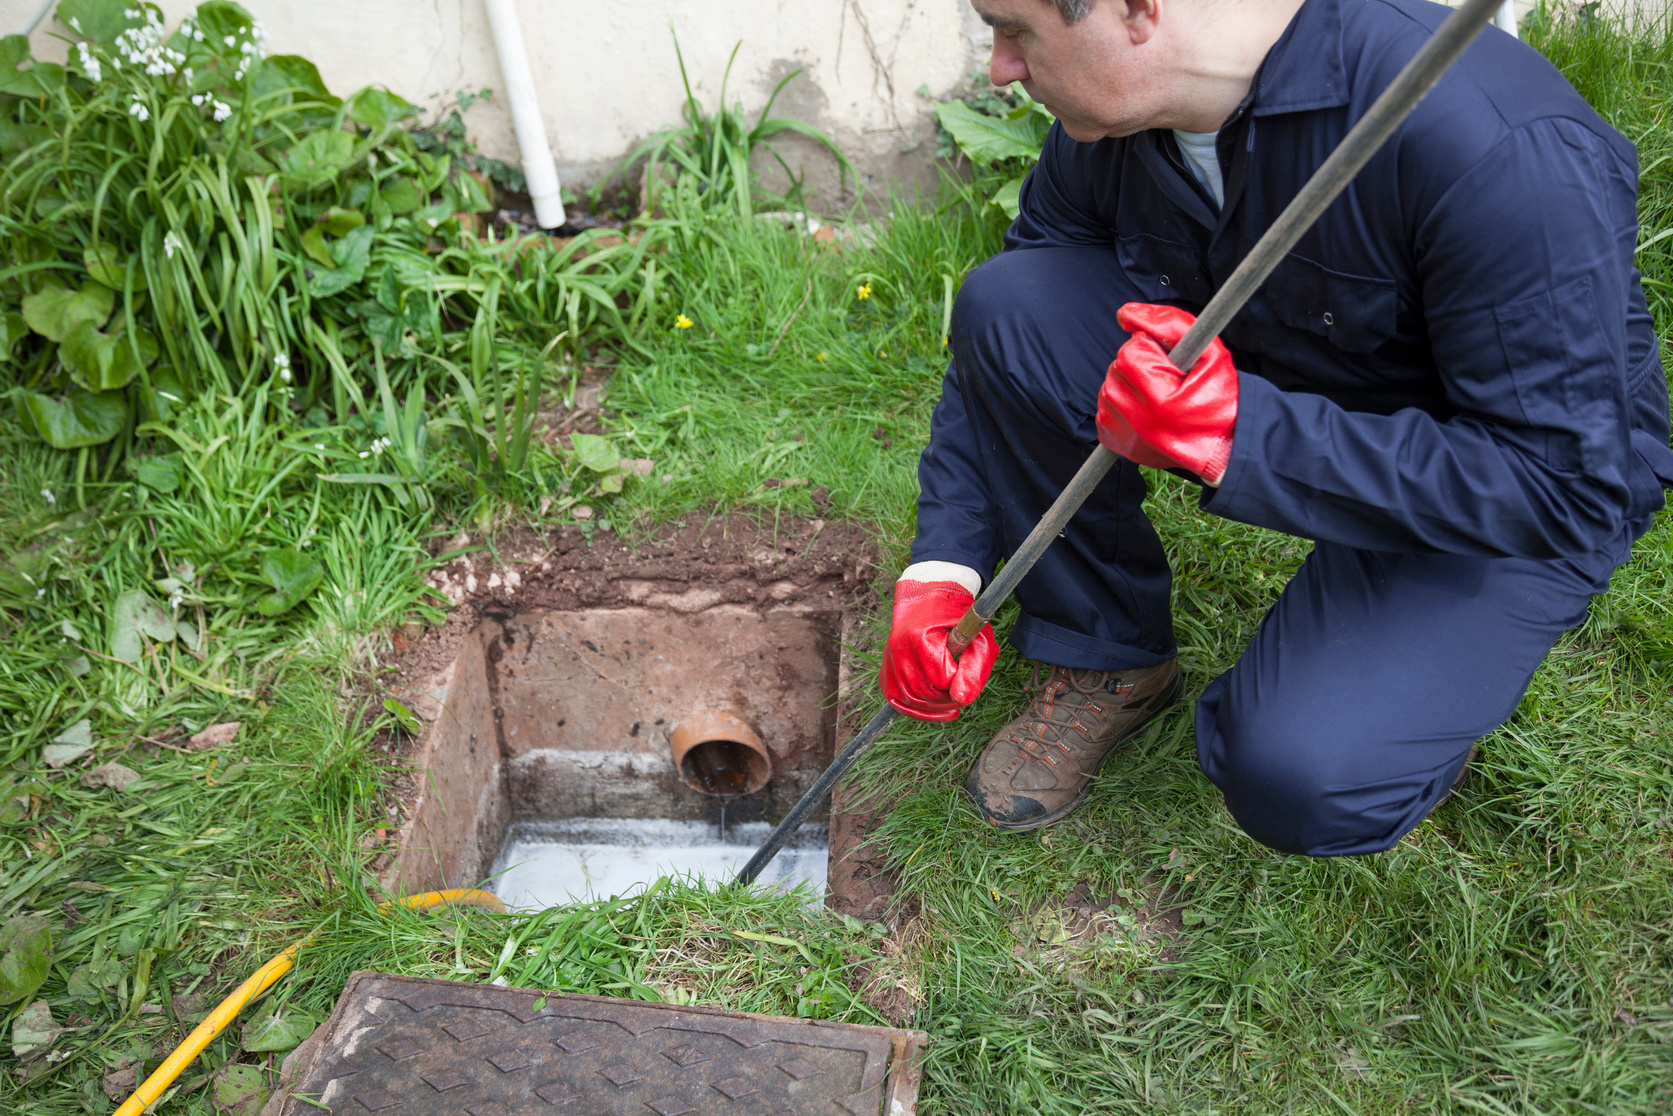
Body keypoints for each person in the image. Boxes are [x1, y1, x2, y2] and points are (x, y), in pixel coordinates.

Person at [879, 0, 1673, 856]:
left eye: (1016, 30)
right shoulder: (1112, 125)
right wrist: (944, 566)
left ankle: (1412, 683)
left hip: (1501, 477)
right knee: (1011, 300)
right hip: (1291, 373)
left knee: (1303, 774)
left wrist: (1238, 434)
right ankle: (1105, 653)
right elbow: (1007, 335)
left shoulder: (1490, 141)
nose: (999, 66)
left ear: (1137, 10)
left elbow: (1563, 487)